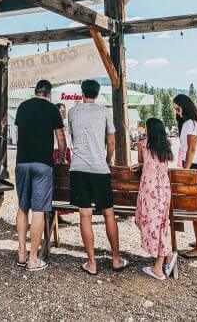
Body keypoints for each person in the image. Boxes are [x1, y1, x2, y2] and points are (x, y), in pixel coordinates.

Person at [68, 79, 128, 275]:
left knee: (85, 215)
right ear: (98, 92)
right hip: (99, 168)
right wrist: (108, 158)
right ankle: (116, 259)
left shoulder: (72, 112)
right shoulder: (104, 112)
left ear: (82, 92)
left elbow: (73, 137)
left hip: (78, 168)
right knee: (108, 213)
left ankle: (92, 263)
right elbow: (111, 141)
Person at [14, 79, 66, 272]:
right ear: (49, 94)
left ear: (35, 91)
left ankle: (21, 253)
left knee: (22, 207)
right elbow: (61, 140)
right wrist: (60, 158)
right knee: (38, 210)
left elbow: (19, 135)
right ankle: (33, 259)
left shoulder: (22, 107)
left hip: (22, 162)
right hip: (43, 164)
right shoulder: (52, 109)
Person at [132, 117, 178, 280]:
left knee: (151, 225)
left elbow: (141, 160)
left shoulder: (145, 144)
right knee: (160, 225)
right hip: (164, 189)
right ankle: (166, 256)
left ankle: (159, 266)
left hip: (150, 189)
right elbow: (154, 164)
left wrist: (139, 146)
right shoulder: (165, 146)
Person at [172, 93, 197, 259]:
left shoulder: (189, 123)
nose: (178, 112)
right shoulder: (196, 123)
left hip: (193, 167)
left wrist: (186, 170)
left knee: (195, 209)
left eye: (178, 109)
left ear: (185, 107)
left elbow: (191, 148)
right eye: (175, 110)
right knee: (196, 208)